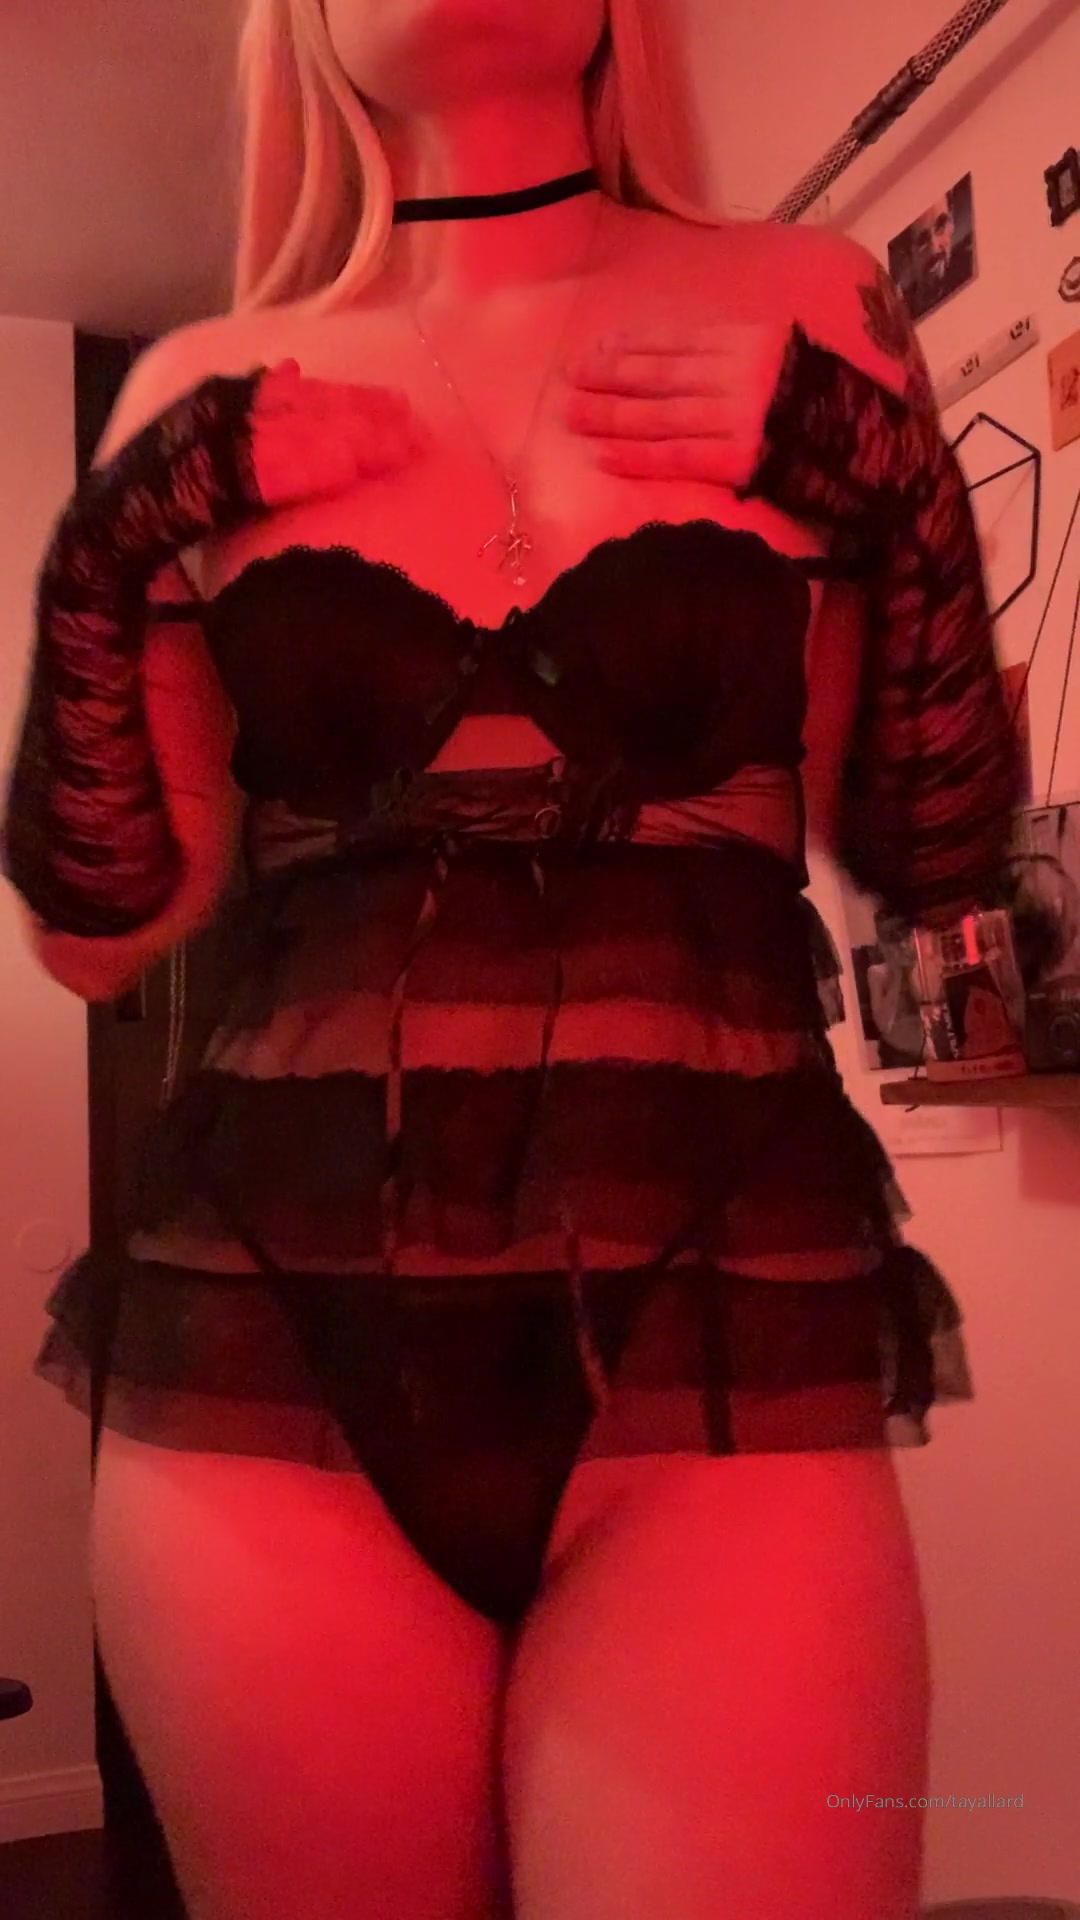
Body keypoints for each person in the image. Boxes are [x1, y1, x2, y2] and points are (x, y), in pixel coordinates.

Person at [2, 2, 1019, 1915]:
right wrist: (108, 551)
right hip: (269, 1359)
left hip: (720, 1326)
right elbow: (91, 932)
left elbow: (932, 854)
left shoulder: (807, 296)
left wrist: (885, 477)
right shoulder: (202, 383)